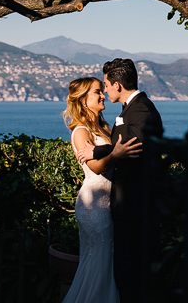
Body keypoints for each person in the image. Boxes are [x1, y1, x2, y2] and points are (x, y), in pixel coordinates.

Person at [80, 58, 164, 303]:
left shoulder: (140, 110)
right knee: (125, 270)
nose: (105, 90)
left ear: (117, 85)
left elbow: (132, 146)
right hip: (125, 204)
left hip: (135, 204)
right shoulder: (131, 109)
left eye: (106, 84)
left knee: (131, 272)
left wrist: (96, 152)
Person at [61, 76, 142, 303]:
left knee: (104, 260)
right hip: (94, 203)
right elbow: (95, 167)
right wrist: (117, 154)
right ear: (84, 100)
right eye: (97, 92)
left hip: (108, 200)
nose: (102, 95)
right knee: (100, 258)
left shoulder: (104, 127)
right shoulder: (80, 131)